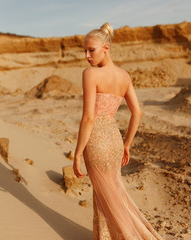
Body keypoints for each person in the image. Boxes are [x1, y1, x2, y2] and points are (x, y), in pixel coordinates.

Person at [73, 23, 166, 240]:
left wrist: (77, 153)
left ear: (106, 48)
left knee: (107, 198)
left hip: (96, 142)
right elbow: (138, 113)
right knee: (114, 194)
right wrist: (126, 145)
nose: (87, 56)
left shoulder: (90, 75)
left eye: (91, 50)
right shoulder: (124, 76)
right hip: (114, 140)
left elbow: (88, 118)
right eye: (84, 51)